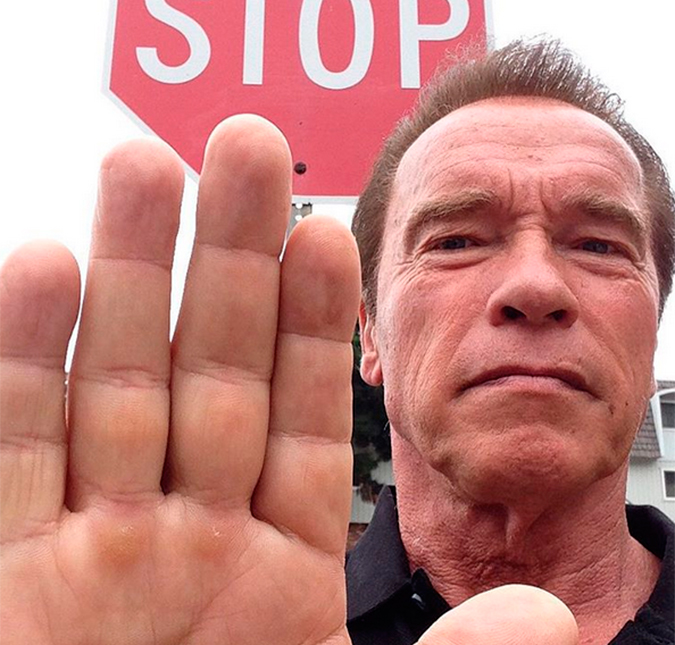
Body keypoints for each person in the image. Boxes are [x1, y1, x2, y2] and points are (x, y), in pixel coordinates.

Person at [0, 37, 671, 645]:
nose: (535, 284)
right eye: (456, 240)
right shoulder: (233, 620)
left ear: (653, 336)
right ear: (369, 333)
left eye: (598, 245)